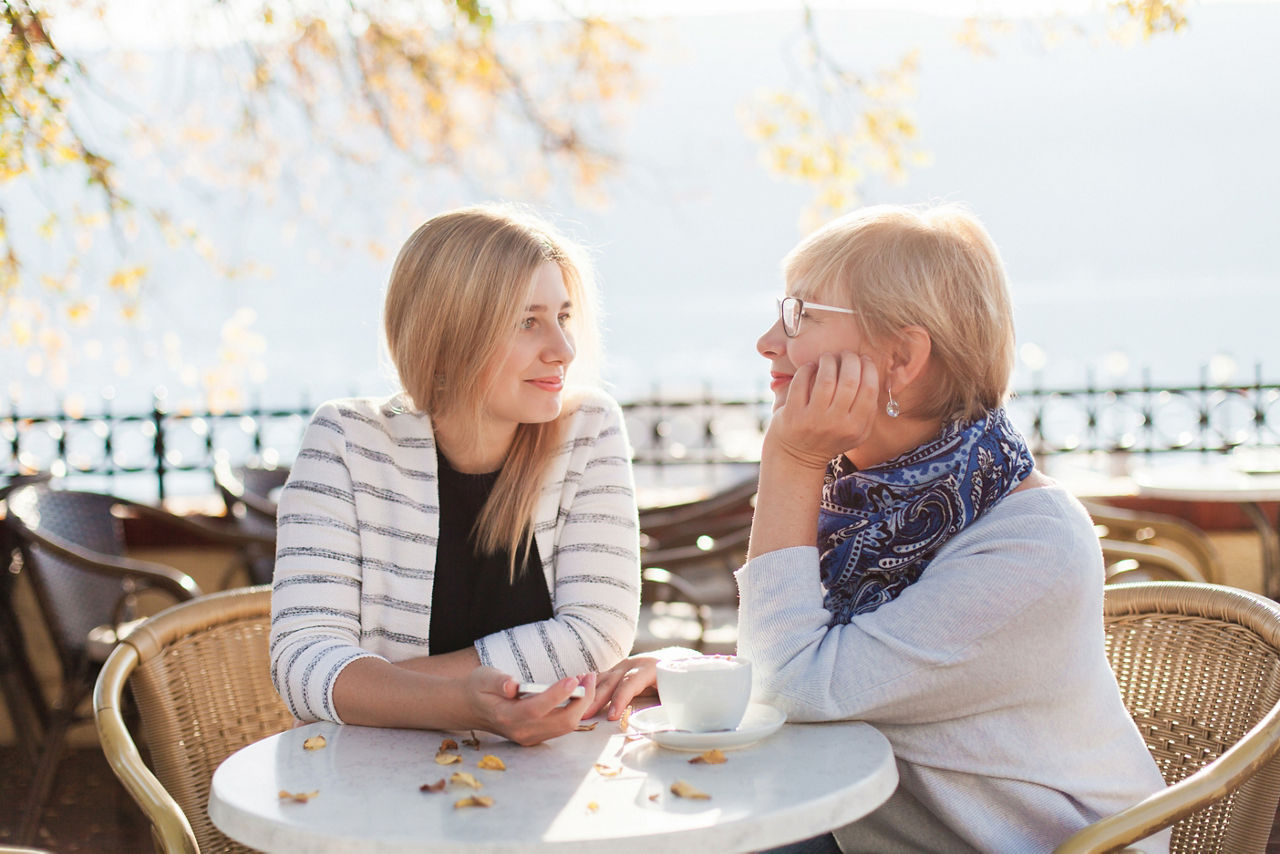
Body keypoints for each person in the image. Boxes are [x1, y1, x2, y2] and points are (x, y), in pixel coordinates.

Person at [586, 204, 1168, 852]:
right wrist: (696, 672)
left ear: (902, 356)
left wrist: (790, 462)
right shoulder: (861, 501)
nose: (767, 341)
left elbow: (798, 687)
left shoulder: (1032, 547)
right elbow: (831, 669)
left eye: (800, 315)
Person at [271, 204, 640, 745]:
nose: (564, 350)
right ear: (447, 335)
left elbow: (595, 634)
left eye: (562, 317)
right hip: (380, 786)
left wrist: (373, 688)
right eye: (527, 321)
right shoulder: (347, 441)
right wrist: (460, 702)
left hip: (556, 773)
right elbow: (301, 660)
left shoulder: (588, 428)